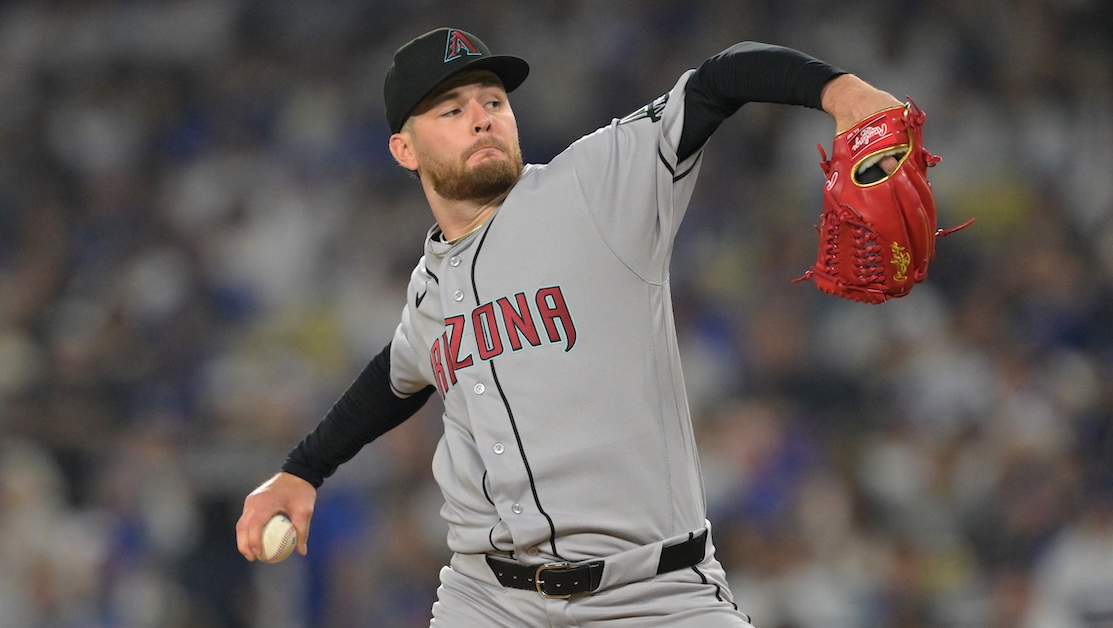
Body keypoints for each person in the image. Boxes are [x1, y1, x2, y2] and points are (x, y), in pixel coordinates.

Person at [237, 26, 904, 626]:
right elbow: (396, 376)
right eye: (452, 109)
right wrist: (301, 471)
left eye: (492, 101)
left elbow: (716, 82)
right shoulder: (433, 285)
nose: (482, 118)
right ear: (404, 149)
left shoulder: (594, 185)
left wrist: (837, 90)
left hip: (653, 594)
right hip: (490, 601)